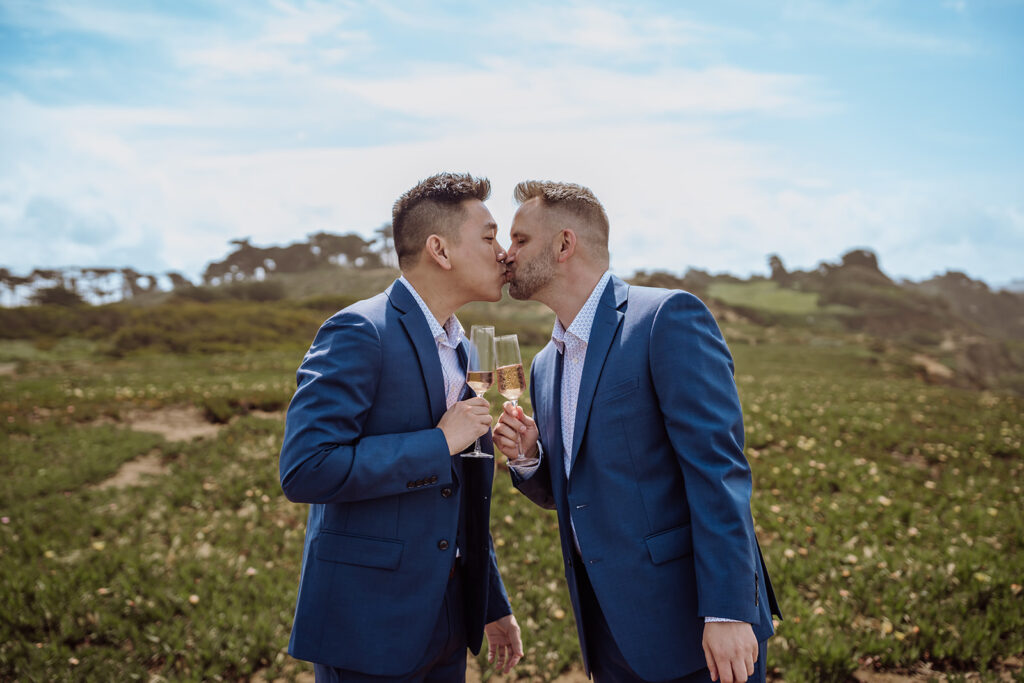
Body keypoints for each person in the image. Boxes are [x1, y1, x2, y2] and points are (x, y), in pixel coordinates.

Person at [493, 180, 781, 683]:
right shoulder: (542, 366)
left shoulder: (666, 318)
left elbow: (718, 471)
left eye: (519, 240)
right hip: (607, 631)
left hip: (695, 629)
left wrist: (727, 612)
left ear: (564, 244)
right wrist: (530, 460)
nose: (505, 253)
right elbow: (578, 494)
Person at [279, 172, 523, 682]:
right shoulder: (358, 331)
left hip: (449, 621)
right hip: (368, 625)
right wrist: (438, 443)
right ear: (440, 249)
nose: (503, 253)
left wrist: (490, 601)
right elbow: (306, 469)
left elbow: (459, 499)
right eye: (489, 236)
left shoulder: (467, 350)